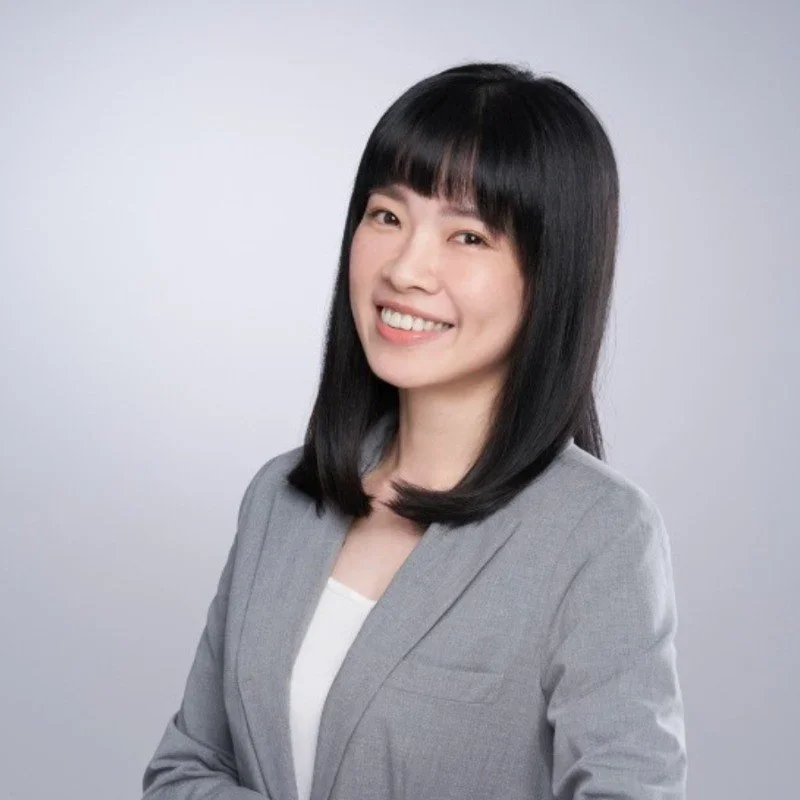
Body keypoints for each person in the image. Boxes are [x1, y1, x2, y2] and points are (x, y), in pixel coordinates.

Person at [142, 62, 687, 800]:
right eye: (387, 216)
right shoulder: (279, 498)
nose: (405, 269)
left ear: (551, 272)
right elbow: (184, 770)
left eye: (468, 236)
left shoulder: (598, 535)